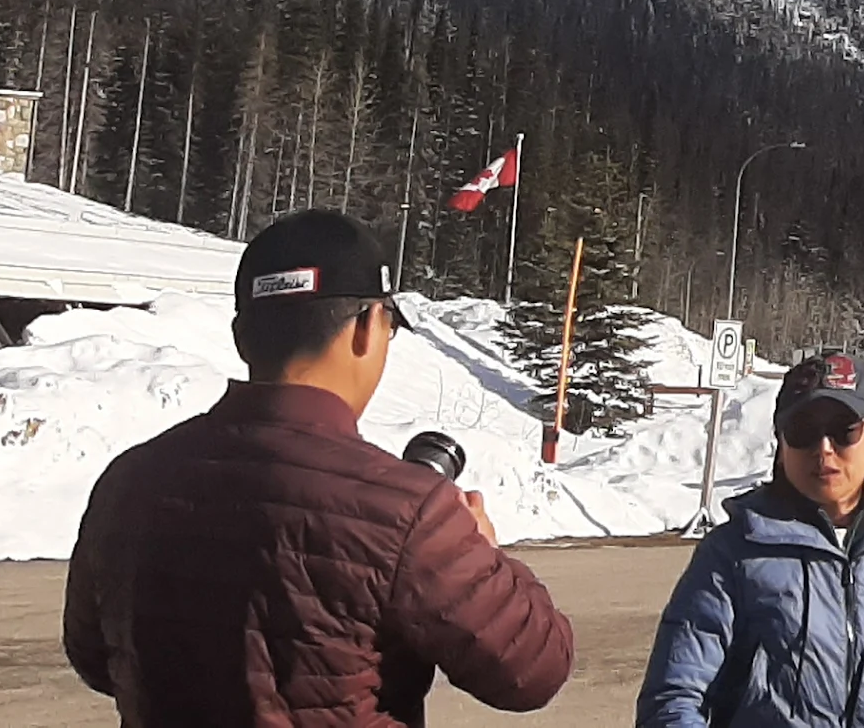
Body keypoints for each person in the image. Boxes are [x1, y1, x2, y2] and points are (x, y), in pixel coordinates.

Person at [63, 209, 574, 727]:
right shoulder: (406, 509)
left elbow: (96, 658)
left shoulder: (127, 483)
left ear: (243, 337)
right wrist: (484, 553)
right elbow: (533, 669)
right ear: (369, 328)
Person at [640, 349, 864, 728]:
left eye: (843, 429)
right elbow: (675, 695)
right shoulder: (733, 551)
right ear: (781, 446)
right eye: (803, 431)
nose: (824, 449)